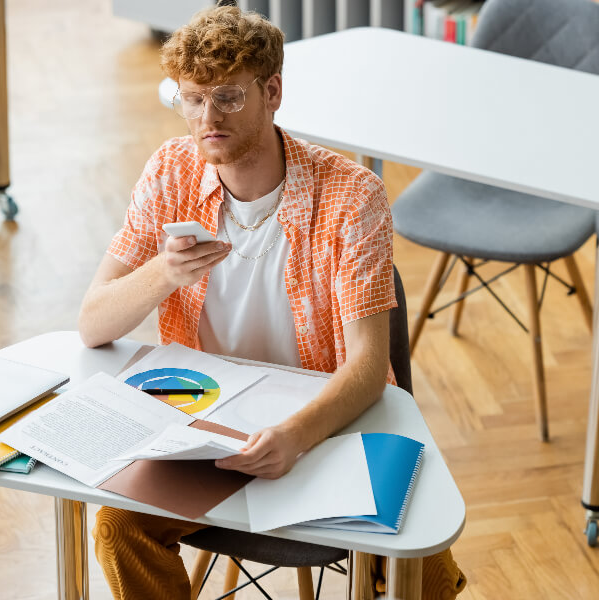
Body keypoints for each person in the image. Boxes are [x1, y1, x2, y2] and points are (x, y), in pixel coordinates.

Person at [78, 5, 466, 599]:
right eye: (192, 99)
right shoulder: (169, 172)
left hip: (326, 426)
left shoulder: (350, 195)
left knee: (425, 564)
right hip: (205, 430)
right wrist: (163, 272)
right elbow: (92, 323)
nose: (208, 118)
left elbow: (367, 367)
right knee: (116, 526)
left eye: (229, 98)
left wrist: (295, 436)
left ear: (273, 91)